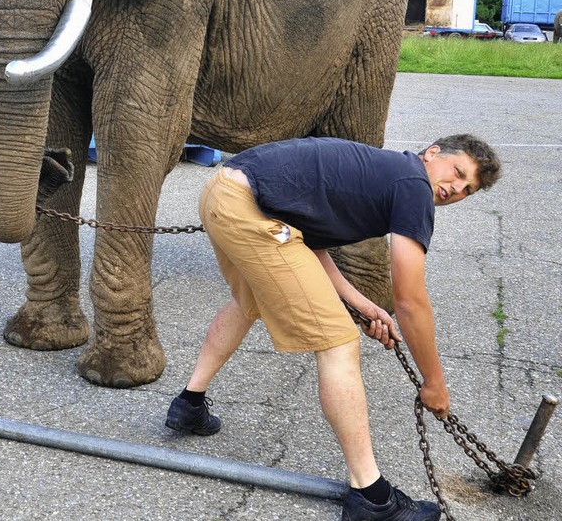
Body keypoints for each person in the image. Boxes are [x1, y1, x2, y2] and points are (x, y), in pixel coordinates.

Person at [165, 134, 501, 521]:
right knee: (340, 341)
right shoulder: (413, 185)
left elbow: (310, 246)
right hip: (249, 209)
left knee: (248, 304)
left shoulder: (384, 174)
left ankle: (188, 405)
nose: (456, 188)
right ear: (432, 154)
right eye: (458, 172)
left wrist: (361, 302)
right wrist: (434, 381)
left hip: (226, 193)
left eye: (467, 190)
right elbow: (410, 299)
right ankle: (372, 497)